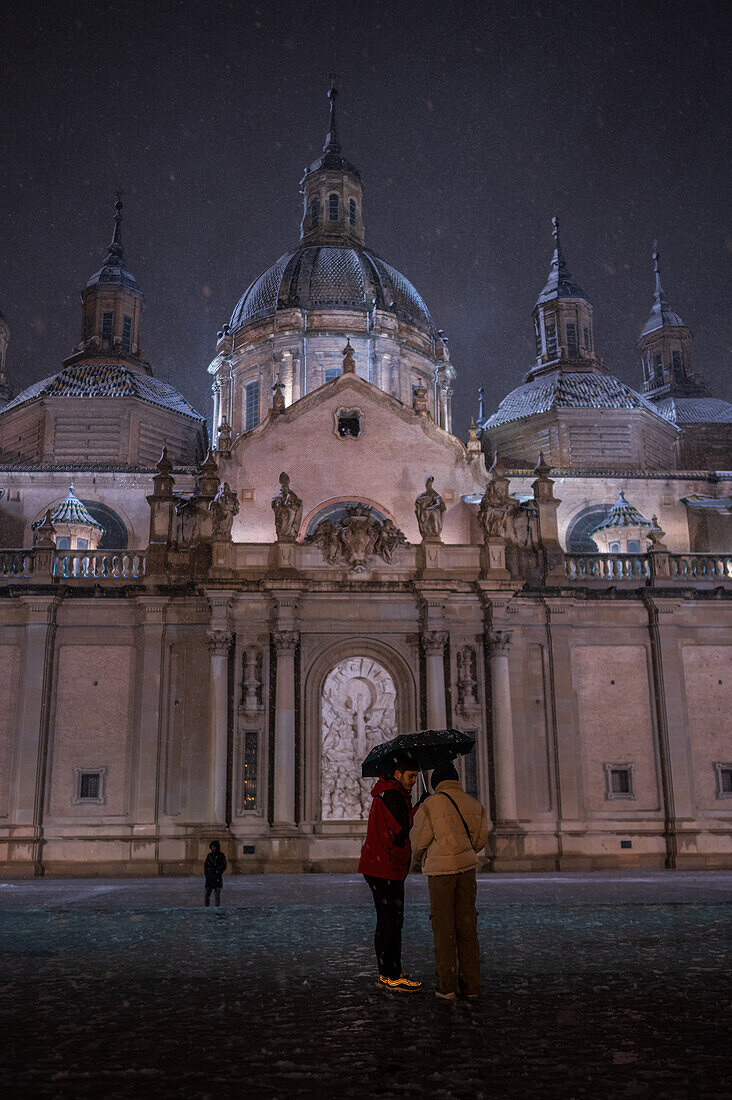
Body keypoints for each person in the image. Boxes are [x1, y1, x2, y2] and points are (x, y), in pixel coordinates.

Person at [411, 759, 488, 1000]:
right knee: (467, 926)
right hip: (466, 871)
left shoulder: (431, 804)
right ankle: (471, 984)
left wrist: (421, 856)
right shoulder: (474, 804)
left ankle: (447, 985)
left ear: (436, 782)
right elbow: (479, 841)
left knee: (443, 927)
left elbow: (418, 841)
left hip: (440, 872)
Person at [358, 757, 424, 992]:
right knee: (392, 922)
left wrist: (412, 806)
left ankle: (386, 973)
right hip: (387, 867)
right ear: (397, 773)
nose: (414, 781)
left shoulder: (386, 793)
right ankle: (393, 974)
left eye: (416, 777)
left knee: (385, 921)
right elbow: (401, 829)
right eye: (411, 776)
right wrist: (419, 808)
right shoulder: (393, 795)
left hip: (378, 866)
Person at [204, 840, 227, 907]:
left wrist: (218, 872)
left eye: (214, 847)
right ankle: (207, 907)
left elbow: (224, 865)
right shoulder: (209, 855)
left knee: (217, 896)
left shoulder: (221, 855)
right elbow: (206, 866)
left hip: (217, 878)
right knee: (207, 895)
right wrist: (207, 874)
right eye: (212, 847)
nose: (213, 848)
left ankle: (217, 908)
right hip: (209, 878)